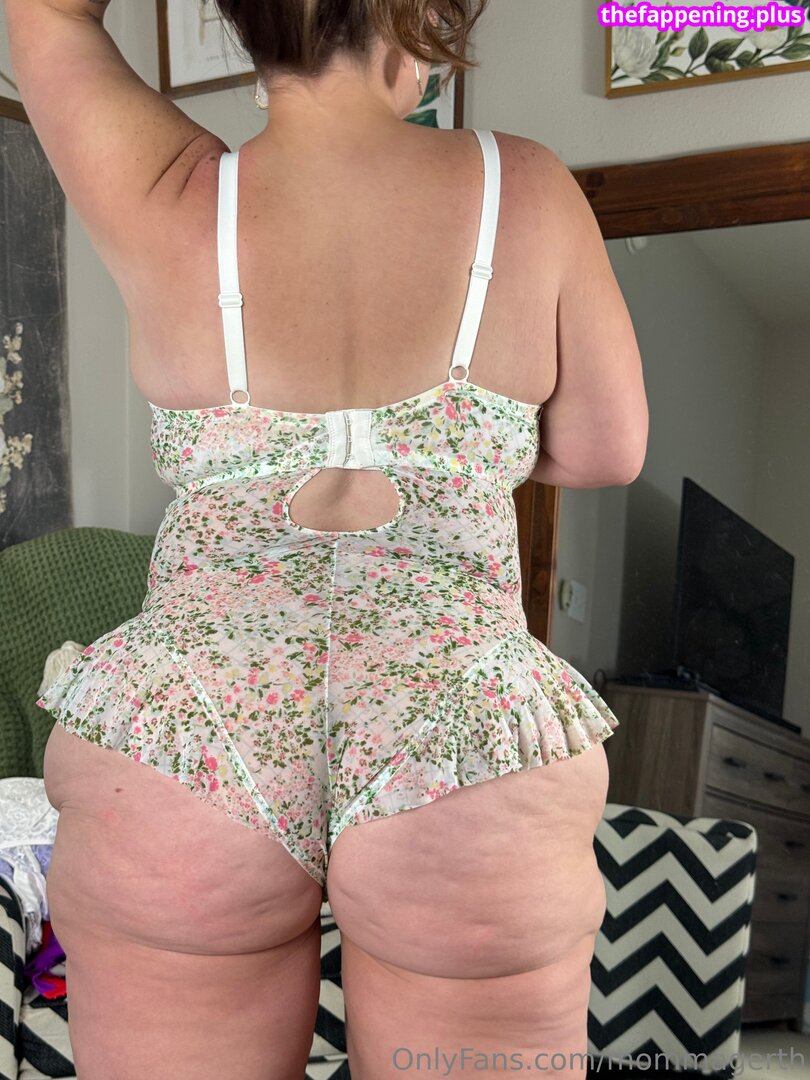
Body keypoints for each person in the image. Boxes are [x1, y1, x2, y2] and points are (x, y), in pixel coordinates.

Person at [6, 0, 648, 1076]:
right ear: (423, 17)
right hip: (456, 714)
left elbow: (46, 13)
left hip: (191, 724)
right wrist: (455, 448)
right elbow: (604, 447)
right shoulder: (526, 188)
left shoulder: (172, 190)